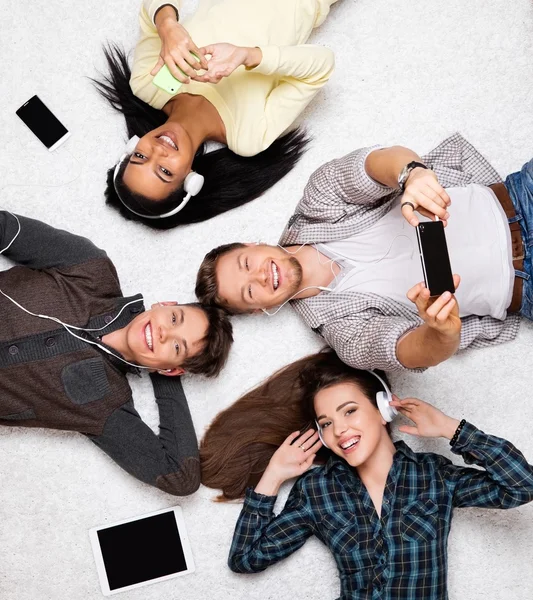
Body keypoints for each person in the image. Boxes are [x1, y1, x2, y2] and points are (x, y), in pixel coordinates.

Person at [200, 350, 533, 598]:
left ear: (383, 408)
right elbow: (245, 558)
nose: (340, 429)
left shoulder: (434, 476)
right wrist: (273, 476)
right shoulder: (317, 490)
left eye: (349, 411)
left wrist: (451, 429)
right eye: (326, 423)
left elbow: (521, 486)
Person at [196, 133, 533, 371]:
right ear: (259, 309)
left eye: (246, 263)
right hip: (523, 286)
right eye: (249, 290)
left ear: (252, 244)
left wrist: (410, 175)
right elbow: (410, 351)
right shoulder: (344, 333)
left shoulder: (319, 199)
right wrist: (441, 332)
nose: (260, 274)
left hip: (519, 200)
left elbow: (379, 162)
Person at [0, 210, 233, 496]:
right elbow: (6, 228)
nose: (163, 333)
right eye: (174, 319)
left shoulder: (107, 405)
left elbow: (181, 478)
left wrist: (163, 375)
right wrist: (164, 357)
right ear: (165, 304)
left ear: (172, 369)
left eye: (176, 346)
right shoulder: (89, 269)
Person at [94, 0, 337, 228]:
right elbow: (321, 67)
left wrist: (167, 25)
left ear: (134, 145)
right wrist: (250, 55)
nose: (158, 152)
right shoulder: (247, 136)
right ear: (191, 178)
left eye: (140, 156)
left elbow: (149, 16)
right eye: (165, 171)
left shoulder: (148, 85)